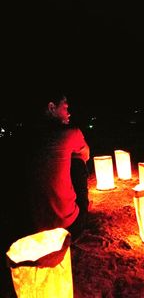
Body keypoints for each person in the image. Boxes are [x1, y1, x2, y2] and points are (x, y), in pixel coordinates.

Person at [8, 92, 90, 242]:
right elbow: (86, 154)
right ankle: (73, 213)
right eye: (65, 108)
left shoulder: (22, 138)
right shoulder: (70, 133)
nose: (69, 113)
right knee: (77, 160)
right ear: (52, 107)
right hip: (68, 229)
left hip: (32, 228)